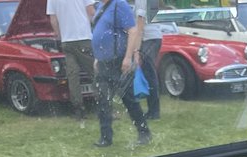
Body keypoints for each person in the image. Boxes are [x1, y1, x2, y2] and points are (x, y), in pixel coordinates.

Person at [91, 0, 151, 146]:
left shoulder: (119, 5)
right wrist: (97, 57)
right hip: (104, 62)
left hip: (118, 61)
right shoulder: (100, 7)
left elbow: (132, 30)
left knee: (128, 99)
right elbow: (99, 32)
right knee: (103, 99)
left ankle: (144, 132)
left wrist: (128, 57)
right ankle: (106, 137)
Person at [47, 0, 95, 123]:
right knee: (94, 72)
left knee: (73, 76)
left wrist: (59, 35)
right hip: (83, 37)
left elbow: (53, 20)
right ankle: (103, 105)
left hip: (67, 41)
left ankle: (79, 109)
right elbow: (91, 12)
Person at [130, 0, 161, 122]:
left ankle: (154, 111)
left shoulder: (141, 1)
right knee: (149, 74)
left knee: (150, 75)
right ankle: (153, 109)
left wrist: (136, 50)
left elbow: (140, 25)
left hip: (149, 38)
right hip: (154, 37)